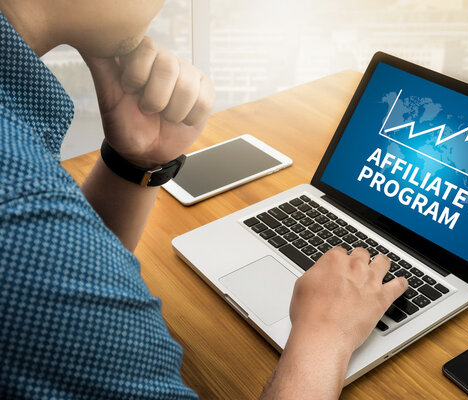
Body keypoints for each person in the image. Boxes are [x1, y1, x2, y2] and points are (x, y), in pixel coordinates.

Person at [0, 1, 408, 398]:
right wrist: (325, 338)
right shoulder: (21, 212)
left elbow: (58, 281)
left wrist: (136, 164)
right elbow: (40, 257)